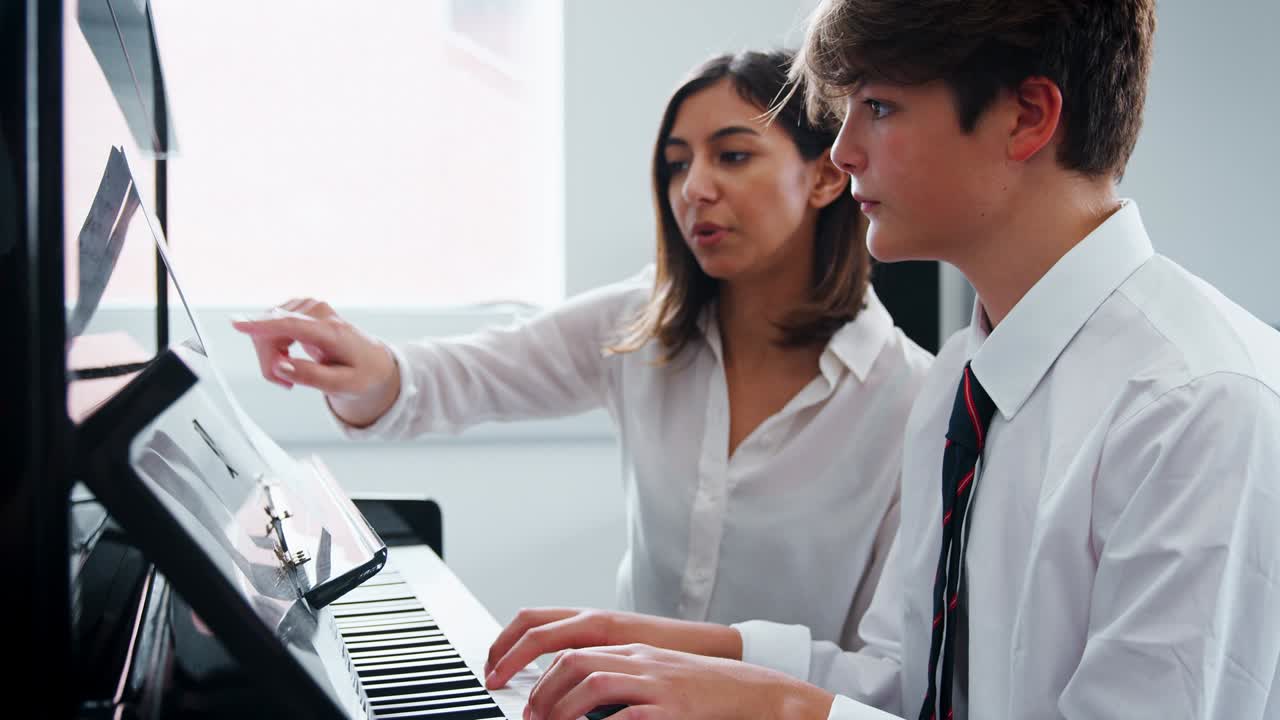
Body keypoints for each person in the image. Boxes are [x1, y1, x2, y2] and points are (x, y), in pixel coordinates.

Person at [481, 2, 1280, 719]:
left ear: (1028, 117)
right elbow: (907, 683)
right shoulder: (963, 378)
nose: (844, 150)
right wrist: (672, 649)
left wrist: (780, 706)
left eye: (880, 107)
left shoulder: (1199, 404)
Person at [232, 50, 932, 650]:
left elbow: (889, 675)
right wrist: (357, 365)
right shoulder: (640, 321)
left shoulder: (912, 400)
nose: (693, 189)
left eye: (733, 155)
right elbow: (454, 378)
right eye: (676, 164)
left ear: (826, 176)